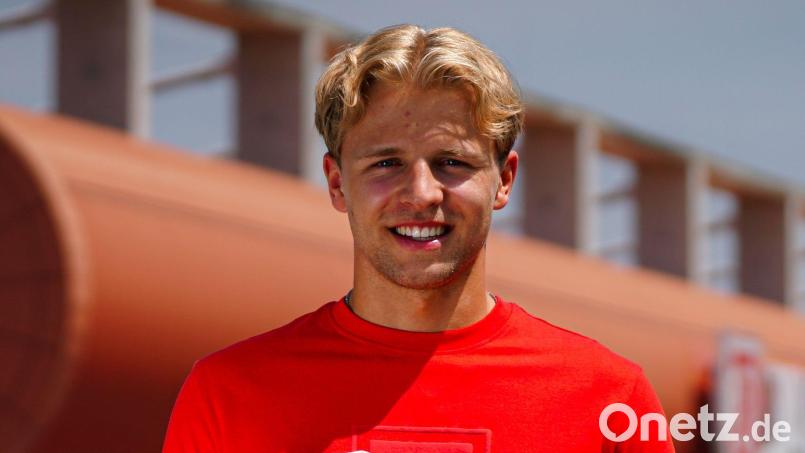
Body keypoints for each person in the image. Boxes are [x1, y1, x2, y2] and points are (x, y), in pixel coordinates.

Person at [162, 24, 675, 452]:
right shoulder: (231, 395)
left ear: (505, 180)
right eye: (386, 163)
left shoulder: (610, 399)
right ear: (338, 183)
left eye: (452, 162)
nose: (423, 193)